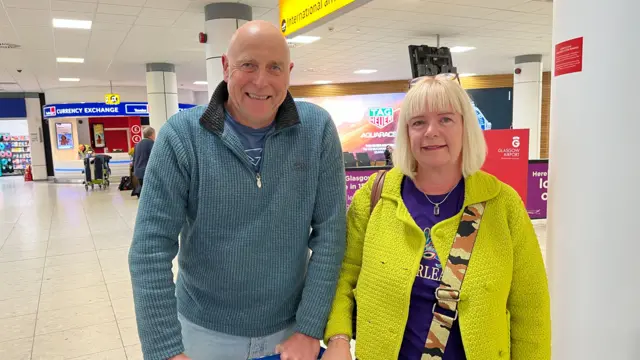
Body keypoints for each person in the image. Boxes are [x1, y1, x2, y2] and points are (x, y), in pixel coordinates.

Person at [128, 20, 346, 360]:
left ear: (288, 72)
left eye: (274, 67)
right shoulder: (181, 137)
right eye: (248, 65)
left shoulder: (316, 131)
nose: (261, 81)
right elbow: (149, 249)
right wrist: (165, 350)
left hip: (291, 334)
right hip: (203, 335)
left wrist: (309, 327)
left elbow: (331, 235)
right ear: (226, 67)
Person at [322, 75, 551, 360]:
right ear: (406, 133)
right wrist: (338, 337)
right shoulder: (376, 198)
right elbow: (342, 276)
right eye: (418, 122)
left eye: (445, 119)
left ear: (466, 127)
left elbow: (530, 309)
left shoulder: (502, 205)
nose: (431, 131)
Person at [131, 126, 155, 198]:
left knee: (144, 188)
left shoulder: (137, 144)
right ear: (151, 135)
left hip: (138, 171)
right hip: (147, 171)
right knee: (150, 192)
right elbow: (154, 158)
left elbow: (134, 159)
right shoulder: (151, 143)